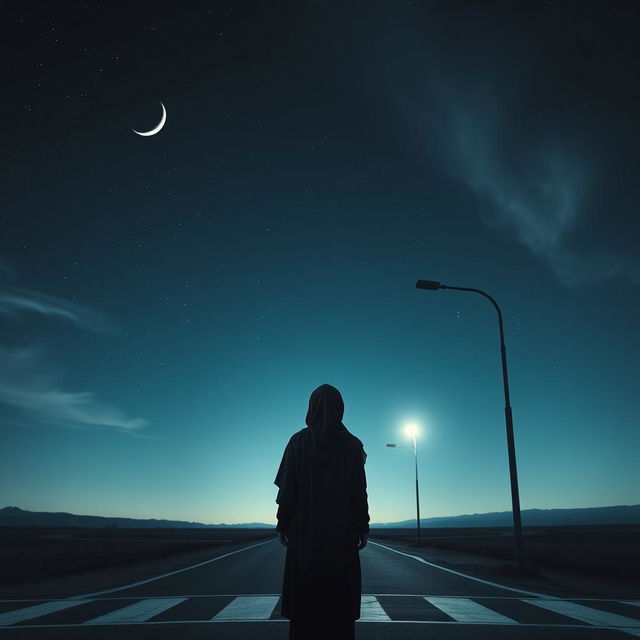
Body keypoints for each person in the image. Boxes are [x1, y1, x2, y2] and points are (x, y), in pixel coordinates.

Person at [274, 383, 370, 640]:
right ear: (340, 408)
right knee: (339, 612)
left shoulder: (298, 442)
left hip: (304, 536)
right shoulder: (352, 446)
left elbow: (288, 491)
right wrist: (363, 526)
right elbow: (358, 492)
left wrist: (283, 525)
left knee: (304, 612)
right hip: (342, 538)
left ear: (312, 407)